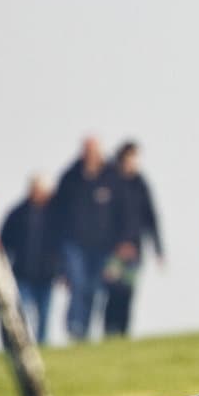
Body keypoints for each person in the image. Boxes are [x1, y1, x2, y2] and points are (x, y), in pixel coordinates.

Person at [51, 138, 114, 341]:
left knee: (94, 289)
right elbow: (57, 215)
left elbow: (122, 211)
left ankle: (85, 328)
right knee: (77, 285)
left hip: (103, 246)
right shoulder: (69, 178)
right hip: (74, 244)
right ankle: (75, 327)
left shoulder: (111, 178)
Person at [99, 141, 160, 337]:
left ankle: (123, 333)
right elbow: (104, 220)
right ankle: (109, 332)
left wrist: (158, 249)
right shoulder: (110, 182)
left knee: (128, 293)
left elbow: (150, 217)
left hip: (135, 249)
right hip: (113, 250)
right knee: (113, 292)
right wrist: (117, 245)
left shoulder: (140, 184)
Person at [0, 175, 59, 344]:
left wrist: (59, 267)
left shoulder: (54, 215)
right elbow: (4, 241)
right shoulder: (18, 213)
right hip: (22, 272)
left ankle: (43, 344)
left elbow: (61, 244)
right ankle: (22, 343)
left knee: (44, 313)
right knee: (22, 312)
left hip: (46, 273)